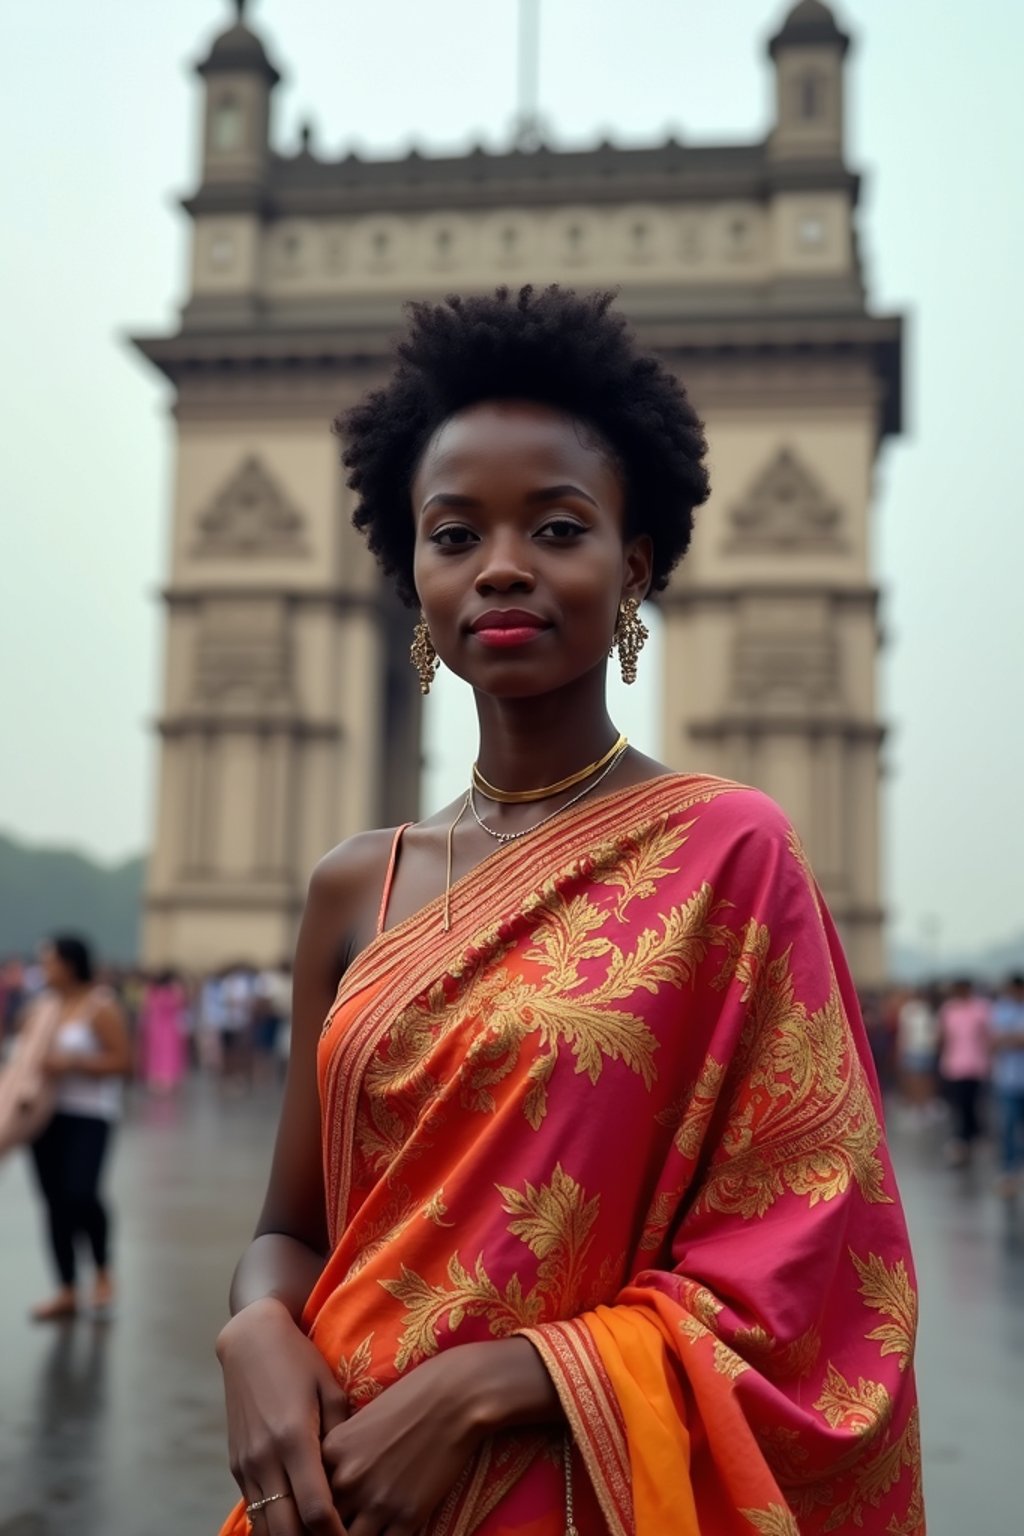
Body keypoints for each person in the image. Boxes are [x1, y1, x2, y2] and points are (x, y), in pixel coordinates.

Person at [214, 287, 922, 1536]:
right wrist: (255, 1325)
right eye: (453, 534)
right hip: (342, 1497)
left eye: (555, 526)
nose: (501, 566)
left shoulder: (733, 855)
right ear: (411, 573)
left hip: (579, 1496)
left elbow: (812, 1279)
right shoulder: (351, 884)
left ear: (633, 564)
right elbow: (291, 1226)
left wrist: (509, 1380)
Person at [26, 934, 132, 1321]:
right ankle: (67, 1288)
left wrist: (73, 1064)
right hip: (44, 1113)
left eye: (49, 961)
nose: (44, 969)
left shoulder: (99, 1006)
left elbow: (124, 1062)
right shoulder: (43, 1006)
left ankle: (102, 1270)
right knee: (54, 1201)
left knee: (81, 1192)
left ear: (70, 964)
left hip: (90, 1115)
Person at [937, 978, 992, 1165]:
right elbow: (943, 1036)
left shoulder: (981, 1008)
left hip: (975, 1065)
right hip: (954, 1065)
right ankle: (963, 1139)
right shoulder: (949, 1009)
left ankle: (970, 1136)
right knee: (959, 1105)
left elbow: (988, 1035)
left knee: (972, 1104)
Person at [990, 973, 1024, 1196]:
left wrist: (1010, 1039)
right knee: (1008, 1128)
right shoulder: (1001, 1009)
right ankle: (1009, 1172)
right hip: (1008, 1080)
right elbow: (994, 1040)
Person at [139, 969, 188, 1094]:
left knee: (159, 1053)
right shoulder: (170, 992)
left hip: (157, 1027)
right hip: (168, 1028)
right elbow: (180, 1004)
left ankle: (159, 1078)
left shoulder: (153, 992)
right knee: (166, 1053)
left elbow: (146, 1007)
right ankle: (165, 1078)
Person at [896, 984, 940, 1121]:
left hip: (926, 1049)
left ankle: (925, 1104)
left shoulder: (928, 1009)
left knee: (926, 1078)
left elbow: (934, 1030)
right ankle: (915, 1105)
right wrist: (901, 1050)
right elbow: (903, 1032)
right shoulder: (908, 1010)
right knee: (914, 1079)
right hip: (913, 1049)